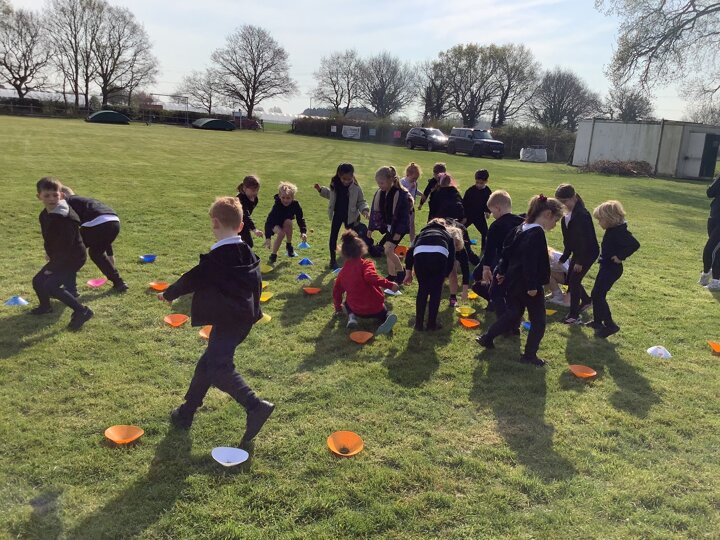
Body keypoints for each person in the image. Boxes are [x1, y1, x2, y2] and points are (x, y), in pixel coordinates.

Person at [160, 196, 274, 446]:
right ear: (241, 226)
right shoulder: (247, 251)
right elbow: (256, 284)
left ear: (214, 223)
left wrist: (169, 293)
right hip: (243, 319)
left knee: (219, 367)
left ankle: (255, 406)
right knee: (208, 362)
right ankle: (187, 411)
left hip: (229, 320)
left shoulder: (218, 258)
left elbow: (193, 278)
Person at [476, 194, 564, 366]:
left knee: (514, 313)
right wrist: (532, 285)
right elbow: (530, 260)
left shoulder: (521, 227)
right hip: (529, 284)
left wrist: (502, 272)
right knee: (539, 320)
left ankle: (487, 337)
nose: (555, 225)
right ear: (547, 214)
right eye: (556, 220)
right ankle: (530, 355)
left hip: (513, 281)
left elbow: (506, 252)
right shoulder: (537, 233)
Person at [31, 177, 94, 330]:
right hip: (60, 256)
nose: (51, 199)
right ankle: (45, 307)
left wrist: (52, 267)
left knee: (51, 286)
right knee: (38, 281)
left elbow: (66, 246)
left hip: (73, 257)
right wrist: (49, 253)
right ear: (39, 196)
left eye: (55, 195)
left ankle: (82, 311)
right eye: (47, 195)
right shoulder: (45, 214)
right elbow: (49, 238)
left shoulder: (66, 218)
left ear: (62, 195)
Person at [60, 186, 128, 294]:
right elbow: (104, 225)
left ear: (62, 195)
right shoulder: (85, 201)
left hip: (97, 223)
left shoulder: (67, 202)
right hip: (114, 222)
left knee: (72, 252)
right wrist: (110, 255)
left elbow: (70, 229)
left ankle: (70, 289)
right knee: (96, 253)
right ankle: (119, 283)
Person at [588, 200, 640, 338]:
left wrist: (620, 256)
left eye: (600, 220)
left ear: (610, 218)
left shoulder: (619, 232)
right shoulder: (613, 229)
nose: (599, 223)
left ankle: (610, 325)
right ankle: (597, 322)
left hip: (612, 268)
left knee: (598, 295)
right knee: (596, 293)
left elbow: (634, 244)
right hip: (606, 266)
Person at [333, 230, 399, 334]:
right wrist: (390, 285)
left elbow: (337, 291)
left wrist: (338, 308)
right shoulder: (366, 264)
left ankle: (352, 317)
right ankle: (386, 317)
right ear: (362, 249)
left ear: (344, 253)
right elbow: (371, 277)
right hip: (375, 308)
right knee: (383, 309)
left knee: (346, 303)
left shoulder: (342, 272)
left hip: (356, 309)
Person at [472, 190, 524, 316]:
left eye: (493, 212)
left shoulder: (496, 226)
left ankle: (503, 315)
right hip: (520, 264)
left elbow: (489, 249)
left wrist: (486, 268)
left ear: (498, 208)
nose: (493, 215)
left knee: (496, 291)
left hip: (503, 264)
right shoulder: (522, 222)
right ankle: (512, 312)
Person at [555, 183, 599, 325]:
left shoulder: (582, 215)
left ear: (574, 197)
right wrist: (564, 257)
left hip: (588, 252)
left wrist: (579, 261)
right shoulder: (566, 217)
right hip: (578, 251)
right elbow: (568, 241)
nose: (563, 205)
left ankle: (574, 315)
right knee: (572, 279)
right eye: (560, 202)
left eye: (565, 201)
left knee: (574, 282)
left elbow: (584, 240)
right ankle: (586, 301)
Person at [403, 219, 458, 331]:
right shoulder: (447, 235)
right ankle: (431, 324)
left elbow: (409, 252)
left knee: (422, 289)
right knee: (435, 292)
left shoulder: (421, 234)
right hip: (439, 255)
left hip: (420, 255)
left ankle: (418, 324)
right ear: (444, 226)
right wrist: (445, 275)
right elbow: (451, 258)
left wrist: (408, 272)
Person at [314, 163, 369, 269]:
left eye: (349, 179)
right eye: (344, 179)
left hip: (351, 217)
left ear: (352, 176)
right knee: (333, 237)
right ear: (339, 175)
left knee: (351, 239)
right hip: (338, 215)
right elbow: (331, 195)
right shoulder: (335, 185)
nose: (346, 181)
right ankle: (333, 260)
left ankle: (352, 259)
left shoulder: (356, 188)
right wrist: (321, 190)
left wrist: (365, 210)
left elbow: (361, 201)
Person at [368, 166, 412, 283]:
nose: (379, 186)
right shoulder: (382, 193)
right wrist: (371, 228)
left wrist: (398, 232)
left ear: (391, 180)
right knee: (388, 250)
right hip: (390, 227)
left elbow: (404, 217)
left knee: (388, 250)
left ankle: (401, 272)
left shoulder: (401, 195)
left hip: (399, 228)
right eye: (378, 183)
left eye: (382, 183)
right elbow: (375, 211)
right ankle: (391, 275)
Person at [264, 182, 307, 265]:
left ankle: (289, 245)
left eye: (288, 198)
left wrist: (303, 232)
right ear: (279, 196)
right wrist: (268, 238)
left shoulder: (295, 204)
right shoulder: (277, 206)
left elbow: (300, 219)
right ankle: (273, 254)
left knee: (289, 221)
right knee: (281, 233)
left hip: (286, 222)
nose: (285, 200)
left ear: (293, 197)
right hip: (274, 223)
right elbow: (269, 221)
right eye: (283, 197)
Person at [462, 169, 492, 250]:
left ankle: (484, 248)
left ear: (486, 181)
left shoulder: (487, 191)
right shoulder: (470, 190)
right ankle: (462, 245)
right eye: (477, 182)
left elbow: (489, 203)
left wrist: (488, 211)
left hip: (479, 216)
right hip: (468, 215)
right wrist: (464, 216)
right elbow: (463, 203)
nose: (478, 185)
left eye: (481, 183)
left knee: (485, 233)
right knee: (460, 229)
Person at [700, 174, 720, 290]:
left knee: (710, 249)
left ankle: (707, 274)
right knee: (716, 251)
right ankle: (715, 280)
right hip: (714, 217)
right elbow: (710, 193)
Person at [236, 175, 264, 248]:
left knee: (248, 244)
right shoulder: (240, 199)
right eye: (253, 191)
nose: (255, 193)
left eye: (257, 190)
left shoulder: (255, 199)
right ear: (244, 188)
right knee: (240, 244)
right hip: (232, 223)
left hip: (242, 222)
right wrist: (254, 229)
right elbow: (245, 215)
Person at [400, 162, 422, 242]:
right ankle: (393, 240)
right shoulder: (402, 182)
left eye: (416, 179)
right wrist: (410, 187)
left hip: (411, 207)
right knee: (401, 225)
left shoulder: (415, 183)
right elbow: (402, 193)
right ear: (408, 174)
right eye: (414, 178)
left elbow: (415, 191)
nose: (415, 180)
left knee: (412, 224)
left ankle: (412, 242)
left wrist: (422, 195)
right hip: (403, 207)